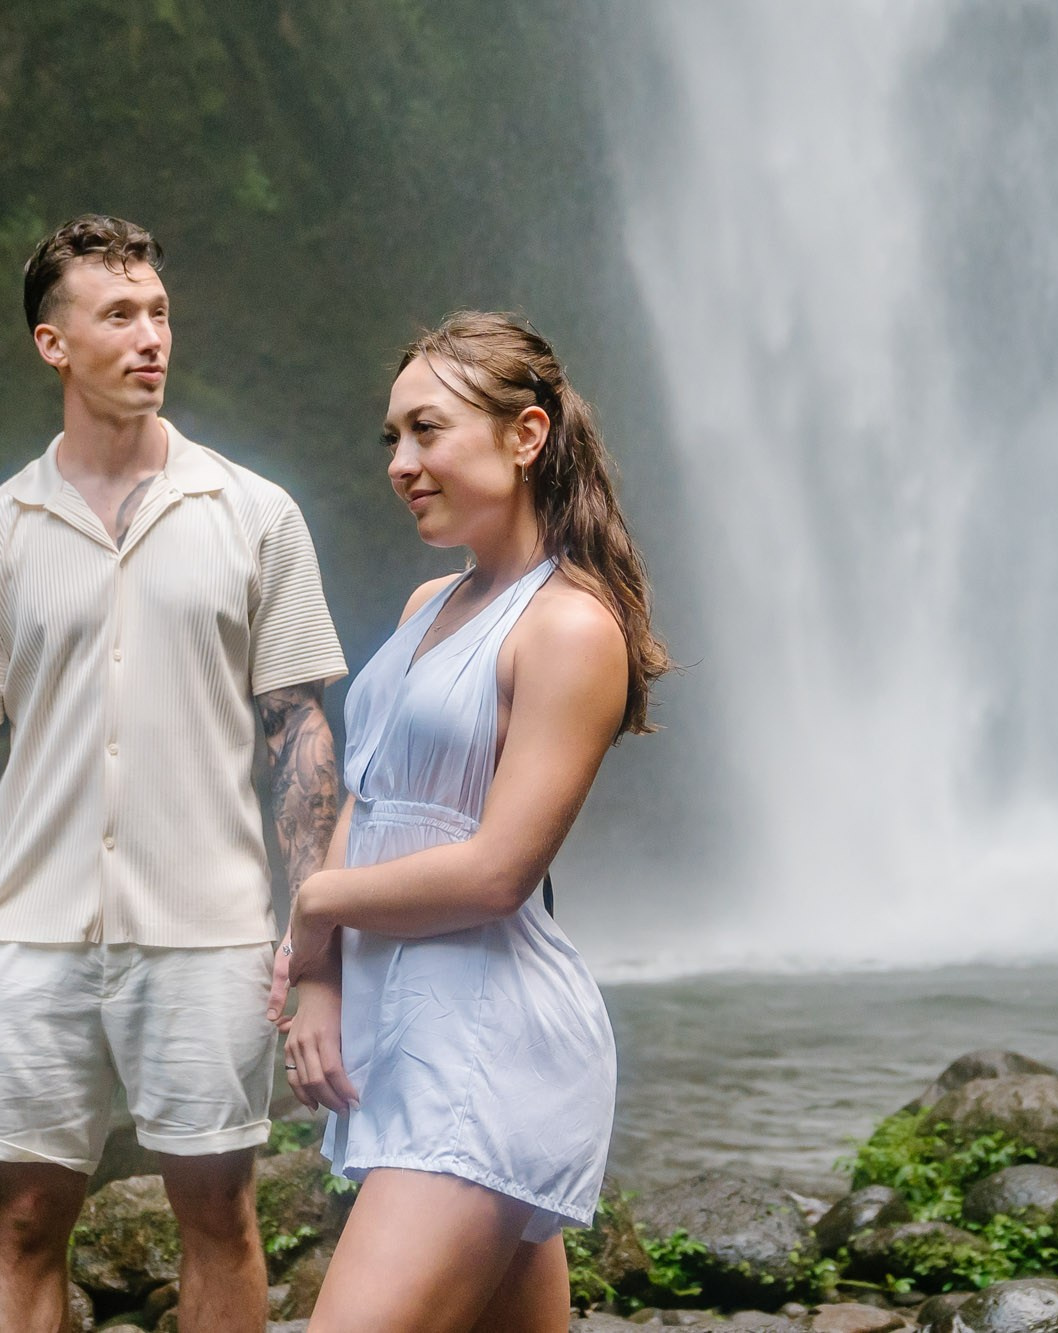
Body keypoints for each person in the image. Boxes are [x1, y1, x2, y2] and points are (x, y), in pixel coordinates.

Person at [0, 213, 347, 1333]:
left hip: (209, 928)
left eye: (158, 312)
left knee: (219, 1211)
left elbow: (298, 733)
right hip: (29, 935)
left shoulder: (255, 516)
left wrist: (307, 928)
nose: (150, 336)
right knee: (23, 1219)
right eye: (118, 315)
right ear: (53, 344)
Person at [270, 311, 670, 1332]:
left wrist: (317, 905)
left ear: (526, 435)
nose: (400, 463)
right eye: (391, 437)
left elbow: (497, 872)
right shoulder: (425, 606)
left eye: (427, 430)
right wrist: (318, 977)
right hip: (406, 1037)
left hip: (485, 1046)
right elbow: (367, 796)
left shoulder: (568, 625)